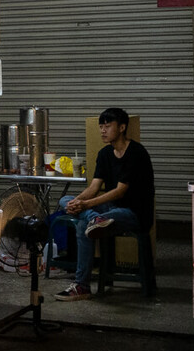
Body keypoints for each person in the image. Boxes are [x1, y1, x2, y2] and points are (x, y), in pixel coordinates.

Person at [54, 107, 154, 302]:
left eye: (107, 126)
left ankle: (81, 284)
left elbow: (119, 191)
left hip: (134, 213)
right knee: (64, 200)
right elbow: (94, 187)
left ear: (122, 127)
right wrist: (78, 202)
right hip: (109, 210)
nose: (102, 131)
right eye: (101, 127)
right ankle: (95, 220)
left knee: (83, 224)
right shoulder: (104, 154)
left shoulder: (136, 153)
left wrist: (85, 205)